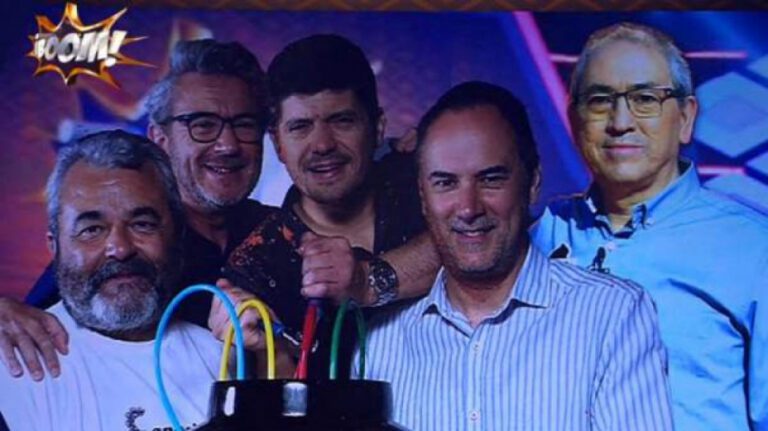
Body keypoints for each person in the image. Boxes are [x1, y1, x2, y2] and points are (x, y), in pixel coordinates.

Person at [360, 81, 673, 430]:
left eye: (490, 179)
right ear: (423, 196)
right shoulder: (380, 346)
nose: (468, 208)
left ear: (533, 182)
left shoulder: (612, 314)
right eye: (445, 183)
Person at [530, 22, 768, 431]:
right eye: (600, 101)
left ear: (686, 117)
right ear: (574, 120)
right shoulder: (538, 238)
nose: (621, 121)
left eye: (644, 99)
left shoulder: (753, 249)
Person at [0, 39, 281, 381]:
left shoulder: (279, 231)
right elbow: (37, 319)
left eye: (245, 124)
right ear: (160, 139)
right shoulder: (127, 249)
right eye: (203, 125)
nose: (227, 145)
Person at [219, 34, 429, 371]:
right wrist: (266, 349)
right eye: (300, 127)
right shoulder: (256, 265)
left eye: (341, 121)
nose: (322, 145)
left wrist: (367, 281)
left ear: (377, 128)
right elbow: (282, 395)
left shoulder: (425, 184)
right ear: (278, 144)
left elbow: (476, 239)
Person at [0, 131, 224, 431]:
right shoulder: (11, 363)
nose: (120, 248)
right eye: (92, 230)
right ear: (55, 246)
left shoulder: (221, 356)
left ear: (177, 236)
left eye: (142, 224)